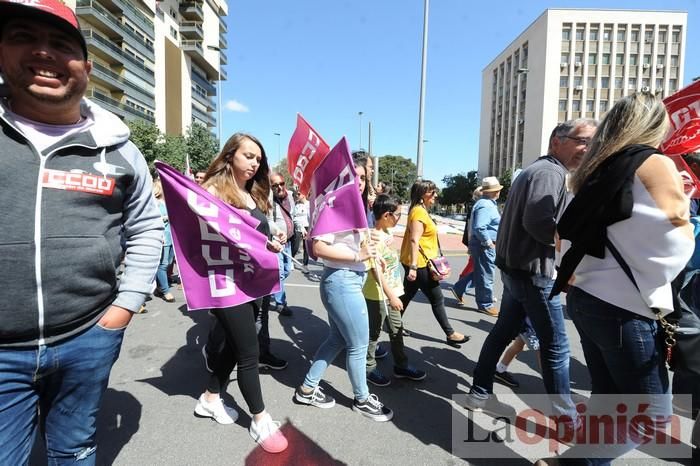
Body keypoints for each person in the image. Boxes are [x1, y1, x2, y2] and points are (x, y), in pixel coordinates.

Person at [0, 2, 164, 463]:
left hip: (87, 338)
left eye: (60, 44)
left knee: (74, 450)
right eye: (22, 37)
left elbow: (147, 226)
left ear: (87, 68)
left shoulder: (119, 149)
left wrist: (125, 306)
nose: (43, 52)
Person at [548, 93, 693, 464]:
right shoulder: (653, 162)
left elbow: (563, 235)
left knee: (608, 403)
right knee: (650, 418)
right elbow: (676, 245)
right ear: (655, 126)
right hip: (625, 305)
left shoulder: (593, 168)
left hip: (586, 297)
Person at [463, 119, 597, 424]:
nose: (587, 149)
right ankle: (565, 417)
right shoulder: (551, 172)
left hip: (517, 271)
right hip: (533, 274)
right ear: (556, 141)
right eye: (582, 141)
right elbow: (539, 222)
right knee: (557, 346)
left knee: (501, 334)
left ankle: (479, 391)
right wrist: (569, 248)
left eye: (592, 142)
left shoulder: (538, 171)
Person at [194, 133, 288, 453]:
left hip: (251, 282)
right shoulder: (210, 191)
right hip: (224, 284)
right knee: (249, 351)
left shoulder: (252, 193)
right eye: (248, 156)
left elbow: (257, 237)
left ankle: (209, 398)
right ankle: (260, 420)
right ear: (230, 155)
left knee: (235, 348)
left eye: (258, 159)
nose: (254, 163)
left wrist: (273, 240)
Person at [295, 161, 394, 422]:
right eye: (354, 176)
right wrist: (357, 254)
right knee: (359, 345)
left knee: (337, 340)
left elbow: (355, 243)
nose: (360, 181)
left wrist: (370, 248)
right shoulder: (335, 206)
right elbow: (318, 248)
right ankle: (361, 399)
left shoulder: (355, 207)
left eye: (363, 177)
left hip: (347, 280)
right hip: (341, 282)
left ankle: (307, 388)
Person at [364, 194, 427, 386]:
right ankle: (368, 367)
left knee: (396, 330)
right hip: (378, 294)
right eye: (398, 214)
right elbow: (375, 271)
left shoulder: (385, 234)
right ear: (386, 215)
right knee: (373, 333)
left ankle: (401, 365)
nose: (400, 218)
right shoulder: (373, 239)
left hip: (392, 292)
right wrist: (391, 295)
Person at [400, 180, 470, 346]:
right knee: (437, 298)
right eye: (432, 192)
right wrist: (414, 267)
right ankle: (450, 333)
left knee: (406, 296)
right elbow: (414, 240)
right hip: (421, 264)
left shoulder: (421, 210)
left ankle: (391, 324)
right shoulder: (418, 212)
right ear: (422, 194)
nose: (435, 195)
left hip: (420, 262)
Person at [468, 177, 503, 317]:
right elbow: (480, 227)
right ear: (494, 192)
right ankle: (485, 304)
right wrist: (488, 242)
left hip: (482, 244)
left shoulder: (484, 203)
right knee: (486, 275)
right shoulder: (486, 205)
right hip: (484, 245)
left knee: (482, 273)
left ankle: (461, 290)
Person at [268, 173, 299, 316]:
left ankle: (269, 288)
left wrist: (301, 228)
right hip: (276, 244)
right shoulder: (269, 200)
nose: (279, 187)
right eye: (275, 185)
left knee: (287, 270)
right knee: (280, 273)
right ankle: (281, 303)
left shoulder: (291, 197)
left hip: (289, 241)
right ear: (270, 187)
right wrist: (275, 236)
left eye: (281, 183)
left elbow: (294, 215)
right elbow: (267, 221)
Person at [451, 187, 483, 305]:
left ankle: (463, 287)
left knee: (476, 266)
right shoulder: (477, 207)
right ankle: (460, 286)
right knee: (474, 265)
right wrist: (470, 244)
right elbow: (471, 227)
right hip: (475, 242)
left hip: (474, 242)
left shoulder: (477, 206)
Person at [152, 178, 175, 303]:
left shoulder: (168, 201)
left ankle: (159, 286)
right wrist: (166, 217)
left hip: (171, 237)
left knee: (169, 261)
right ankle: (166, 291)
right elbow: (153, 219)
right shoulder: (154, 202)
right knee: (163, 264)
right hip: (163, 237)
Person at [293, 192, 311, 267]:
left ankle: (305, 264)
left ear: (304, 195)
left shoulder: (310, 204)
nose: (297, 195)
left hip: (308, 227)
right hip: (299, 227)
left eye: (299, 194)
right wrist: (301, 227)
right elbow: (295, 217)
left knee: (306, 247)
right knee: (296, 245)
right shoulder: (297, 205)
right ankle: (292, 259)